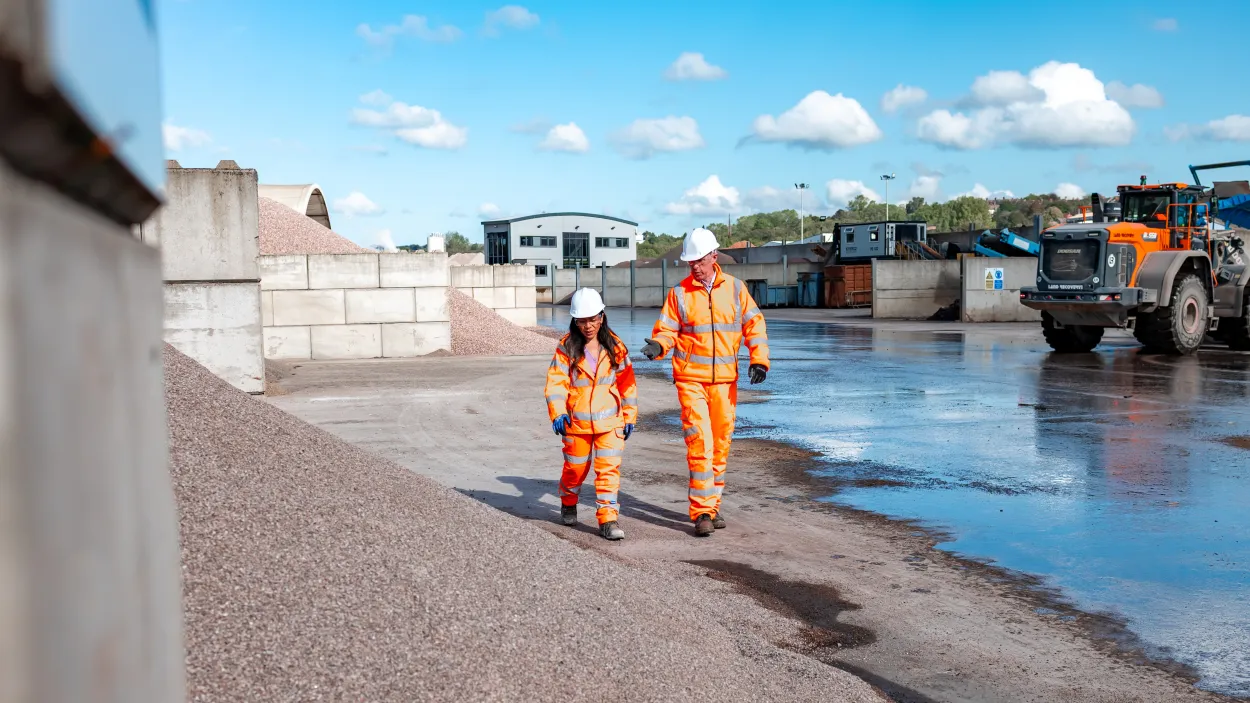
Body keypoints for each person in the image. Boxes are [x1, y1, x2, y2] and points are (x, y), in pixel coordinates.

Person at [640, 228, 769, 537]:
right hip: (690, 381)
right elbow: (667, 329)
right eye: (690, 262)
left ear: (714, 256)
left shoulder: (736, 290)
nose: (694, 267)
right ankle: (701, 513)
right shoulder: (680, 293)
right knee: (701, 443)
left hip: (725, 383)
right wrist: (659, 345)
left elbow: (754, 325)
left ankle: (711, 507)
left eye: (699, 260)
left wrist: (759, 360)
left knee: (720, 445)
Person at [544, 288, 638, 541]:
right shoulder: (566, 347)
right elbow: (556, 383)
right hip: (577, 423)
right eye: (582, 321)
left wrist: (629, 416)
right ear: (575, 321)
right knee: (575, 470)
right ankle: (568, 501)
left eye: (592, 319)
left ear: (602, 317)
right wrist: (558, 413)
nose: (588, 326)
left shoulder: (616, 347)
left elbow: (627, 384)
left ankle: (608, 519)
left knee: (608, 470)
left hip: (611, 423)